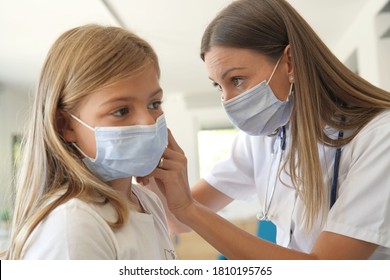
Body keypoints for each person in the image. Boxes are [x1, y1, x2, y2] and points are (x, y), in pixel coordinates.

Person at [143, 0, 390, 259]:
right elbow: (177, 221)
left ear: (290, 62)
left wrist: (188, 208)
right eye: (219, 86)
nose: (228, 100)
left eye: (237, 80)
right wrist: (149, 166)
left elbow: (326, 269)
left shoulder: (378, 136)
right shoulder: (262, 137)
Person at [1, 24, 177, 260]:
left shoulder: (147, 201)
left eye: (154, 104)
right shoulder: (73, 224)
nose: (148, 122)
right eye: (121, 110)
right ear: (65, 125)